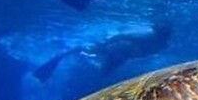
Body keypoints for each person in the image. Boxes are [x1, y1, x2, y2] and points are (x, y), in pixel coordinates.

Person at [32, 18, 173, 83]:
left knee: (103, 72)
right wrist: (105, 42)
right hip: (117, 49)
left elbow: (137, 48)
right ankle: (78, 52)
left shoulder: (160, 44)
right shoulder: (148, 35)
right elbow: (123, 35)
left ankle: (81, 55)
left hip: (121, 54)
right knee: (96, 61)